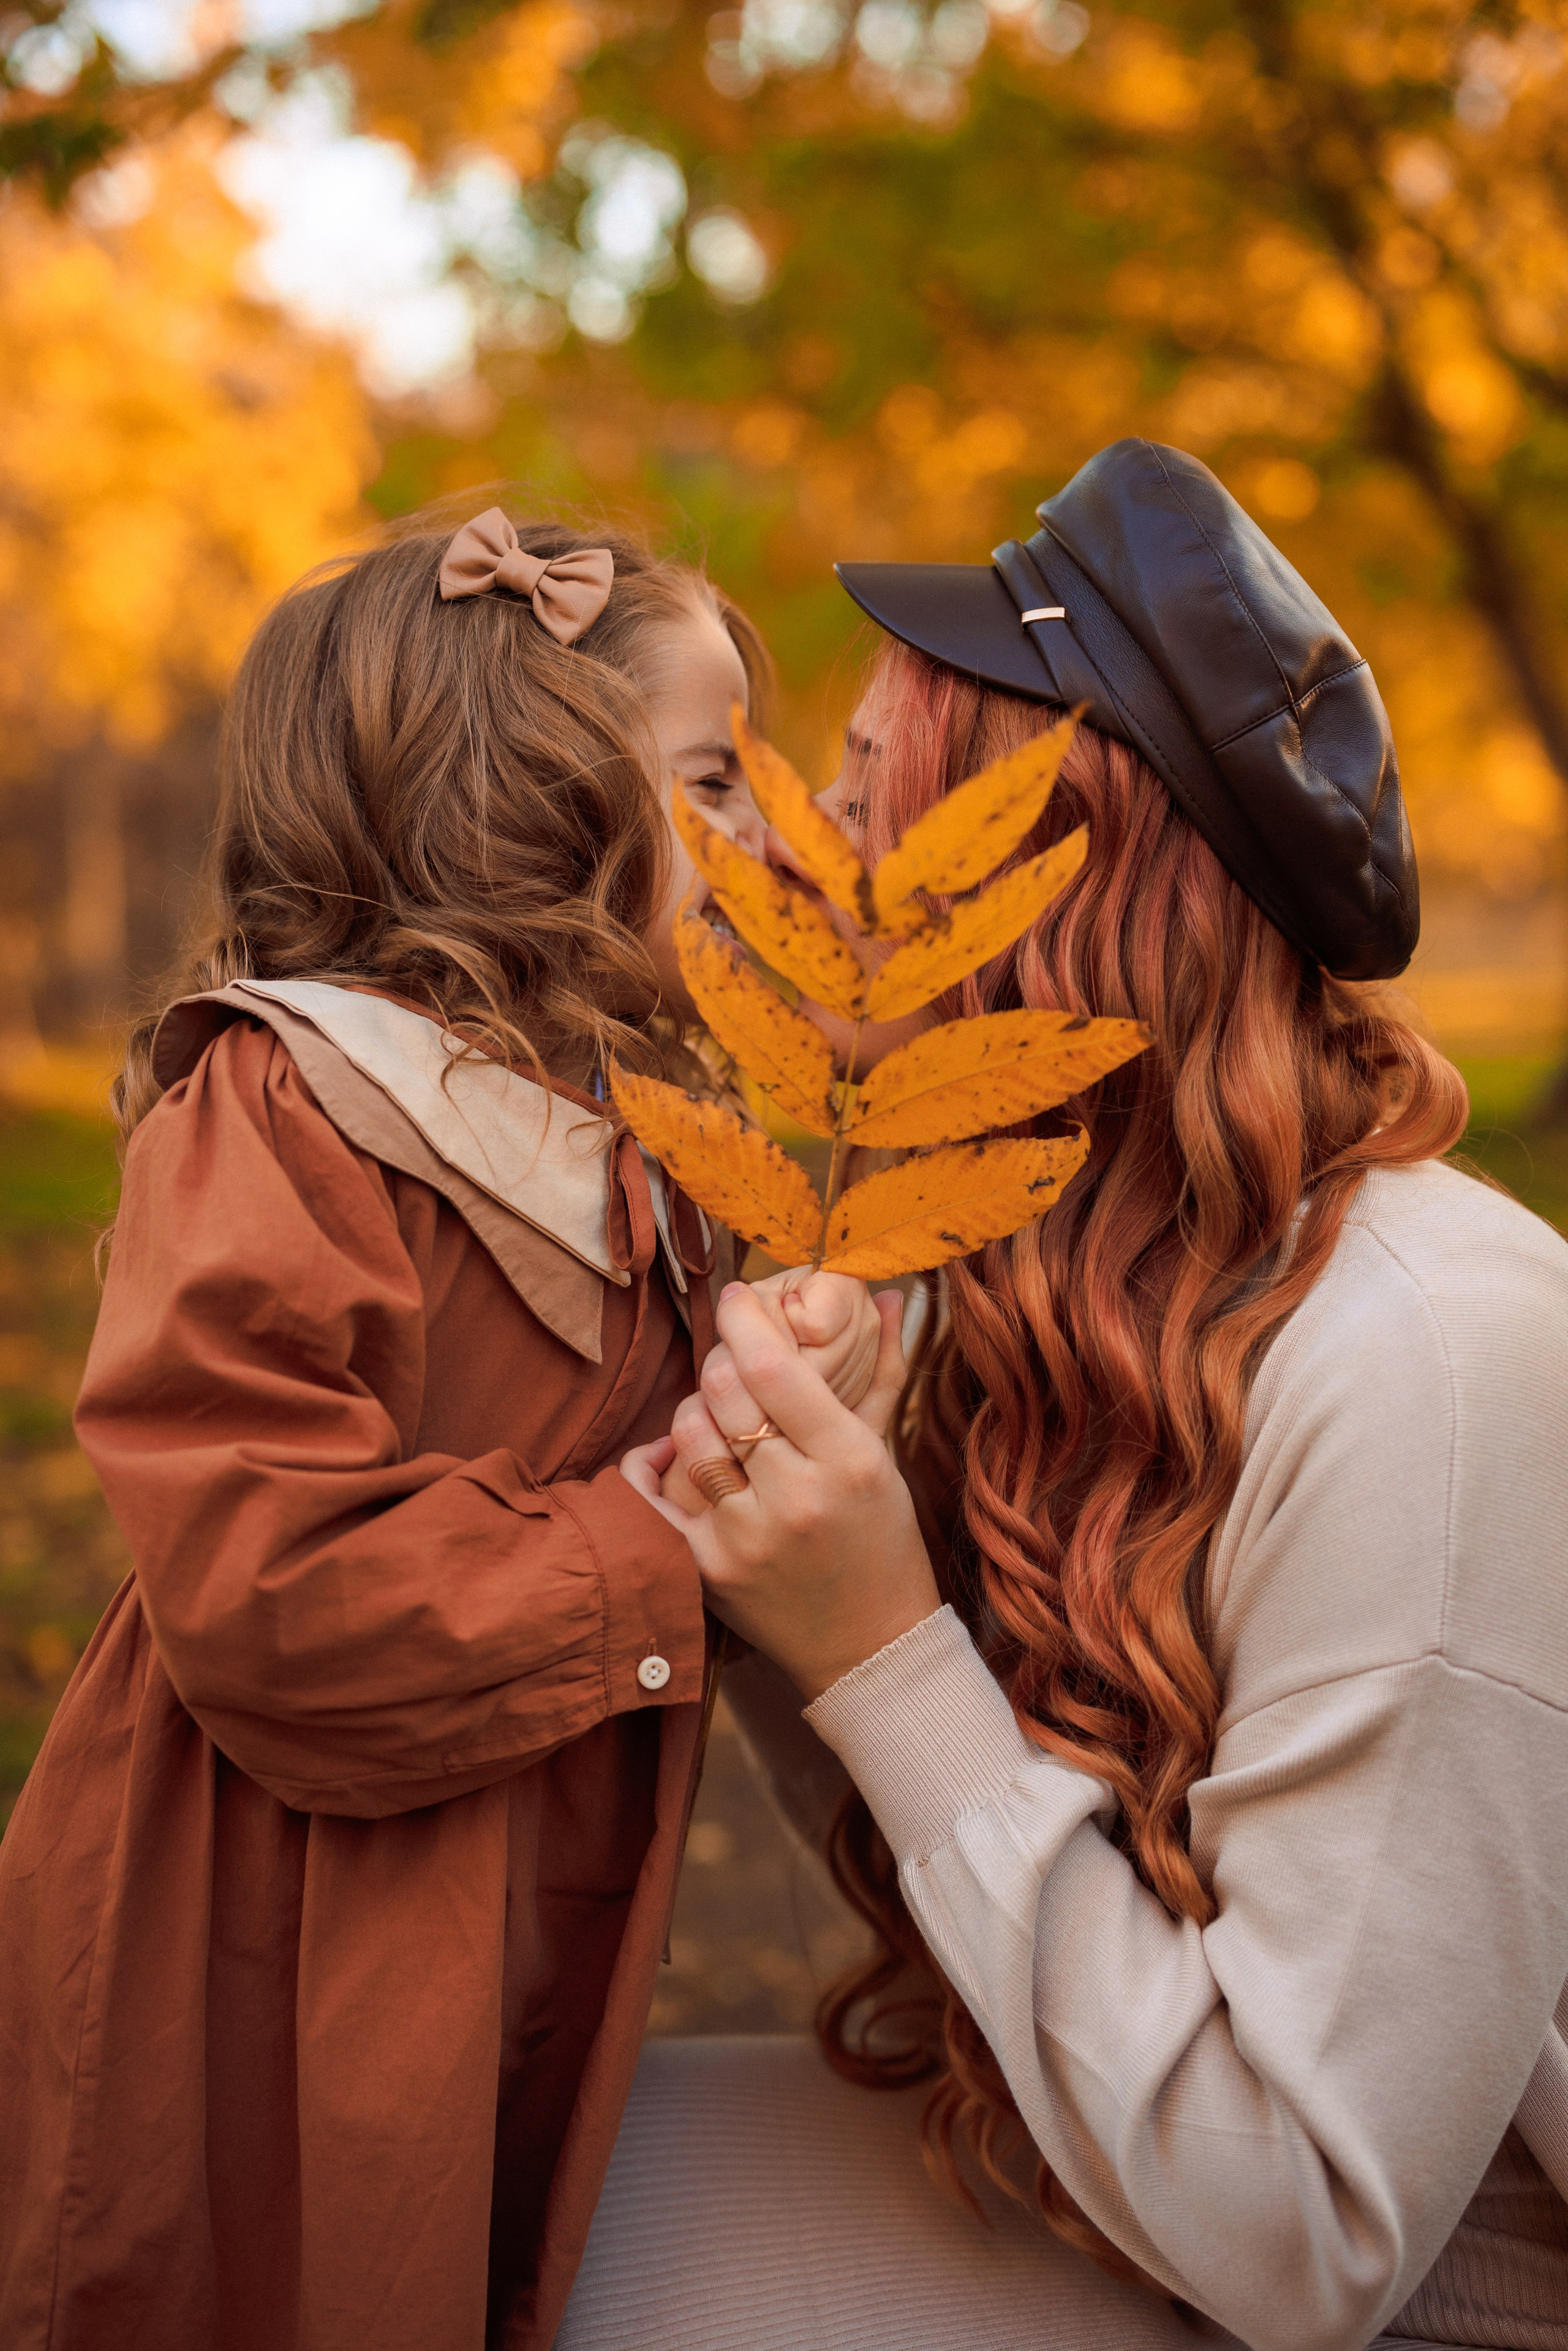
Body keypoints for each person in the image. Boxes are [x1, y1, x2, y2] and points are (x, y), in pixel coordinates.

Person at [597, 442, 1568, 2351]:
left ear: (1058, 884)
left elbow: (1312, 2232)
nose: (784, 861)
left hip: (1435, 2276)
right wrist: (812, 1586)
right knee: (492, 2185)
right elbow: (982, 1883)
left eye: (868, 806)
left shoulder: (1443, 1362)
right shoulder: (1054, 1286)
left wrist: (877, 1646)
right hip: (1127, 2178)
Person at [0, 501, 885, 2351]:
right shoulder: (288, 1099)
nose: (770, 837)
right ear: (535, 795)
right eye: (714, 783)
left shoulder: (647, 1131)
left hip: (514, 1872)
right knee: (280, 2269)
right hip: (271, 1923)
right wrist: (667, 1536)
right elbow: (273, 1586)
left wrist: (777, 1380)